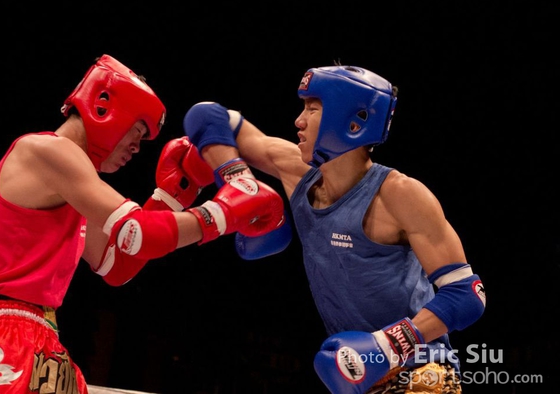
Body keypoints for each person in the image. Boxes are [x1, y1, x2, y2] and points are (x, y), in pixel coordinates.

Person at [0, 54, 285, 394]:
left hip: (27, 334)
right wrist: (224, 212)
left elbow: (119, 264)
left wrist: (174, 195)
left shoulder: (69, 184)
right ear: (102, 106)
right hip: (4, 336)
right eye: (138, 131)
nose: (137, 148)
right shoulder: (48, 150)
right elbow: (138, 232)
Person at [182, 64, 487, 393]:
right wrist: (240, 182)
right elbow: (208, 117)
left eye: (312, 109)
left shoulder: (400, 195)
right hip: (355, 373)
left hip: (419, 371)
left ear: (350, 122)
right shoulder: (296, 172)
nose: (298, 121)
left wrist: (385, 347)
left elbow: (467, 295)